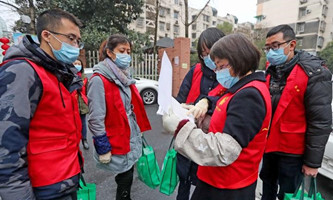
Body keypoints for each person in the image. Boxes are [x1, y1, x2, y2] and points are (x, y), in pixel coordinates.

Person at [163, 33, 272, 200]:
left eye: (221, 66)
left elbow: (225, 150)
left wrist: (181, 128)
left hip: (227, 187)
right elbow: (223, 125)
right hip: (217, 180)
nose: (217, 71)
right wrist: (195, 116)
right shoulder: (240, 89)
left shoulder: (250, 95)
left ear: (237, 60)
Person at [0, 9, 84, 199]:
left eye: (78, 40)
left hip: (65, 179)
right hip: (43, 187)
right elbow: (6, 144)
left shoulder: (59, 72)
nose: (75, 45)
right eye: (71, 38)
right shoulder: (22, 72)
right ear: (47, 35)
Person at [259, 24, 332, 200]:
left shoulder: (314, 73)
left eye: (275, 46)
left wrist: (312, 163)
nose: (270, 51)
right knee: (267, 187)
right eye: (267, 48)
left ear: (291, 45)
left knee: (288, 193)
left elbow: (320, 121)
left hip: (293, 151)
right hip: (269, 146)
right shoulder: (271, 72)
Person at [87, 34, 151, 200]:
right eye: (122, 50)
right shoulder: (99, 80)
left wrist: (137, 129)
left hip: (128, 132)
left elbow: (130, 106)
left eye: (128, 51)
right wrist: (102, 146)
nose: (126, 55)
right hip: (114, 136)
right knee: (124, 176)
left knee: (128, 173)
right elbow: (95, 118)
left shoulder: (123, 76)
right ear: (110, 52)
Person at [175, 27, 225, 200]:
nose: (208, 58)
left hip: (209, 142)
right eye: (203, 54)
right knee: (183, 180)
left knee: (203, 185)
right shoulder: (196, 71)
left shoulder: (228, 76)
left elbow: (227, 101)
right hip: (188, 135)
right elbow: (181, 98)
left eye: (211, 52)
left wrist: (206, 104)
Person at [73, 59, 90, 150]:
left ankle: (84, 139)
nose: (77, 65)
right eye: (75, 63)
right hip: (72, 104)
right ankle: (75, 142)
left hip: (82, 104)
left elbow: (88, 92)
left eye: (79, 64)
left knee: (83, 123)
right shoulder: (68, 76)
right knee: (73, 125)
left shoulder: (85, 78)